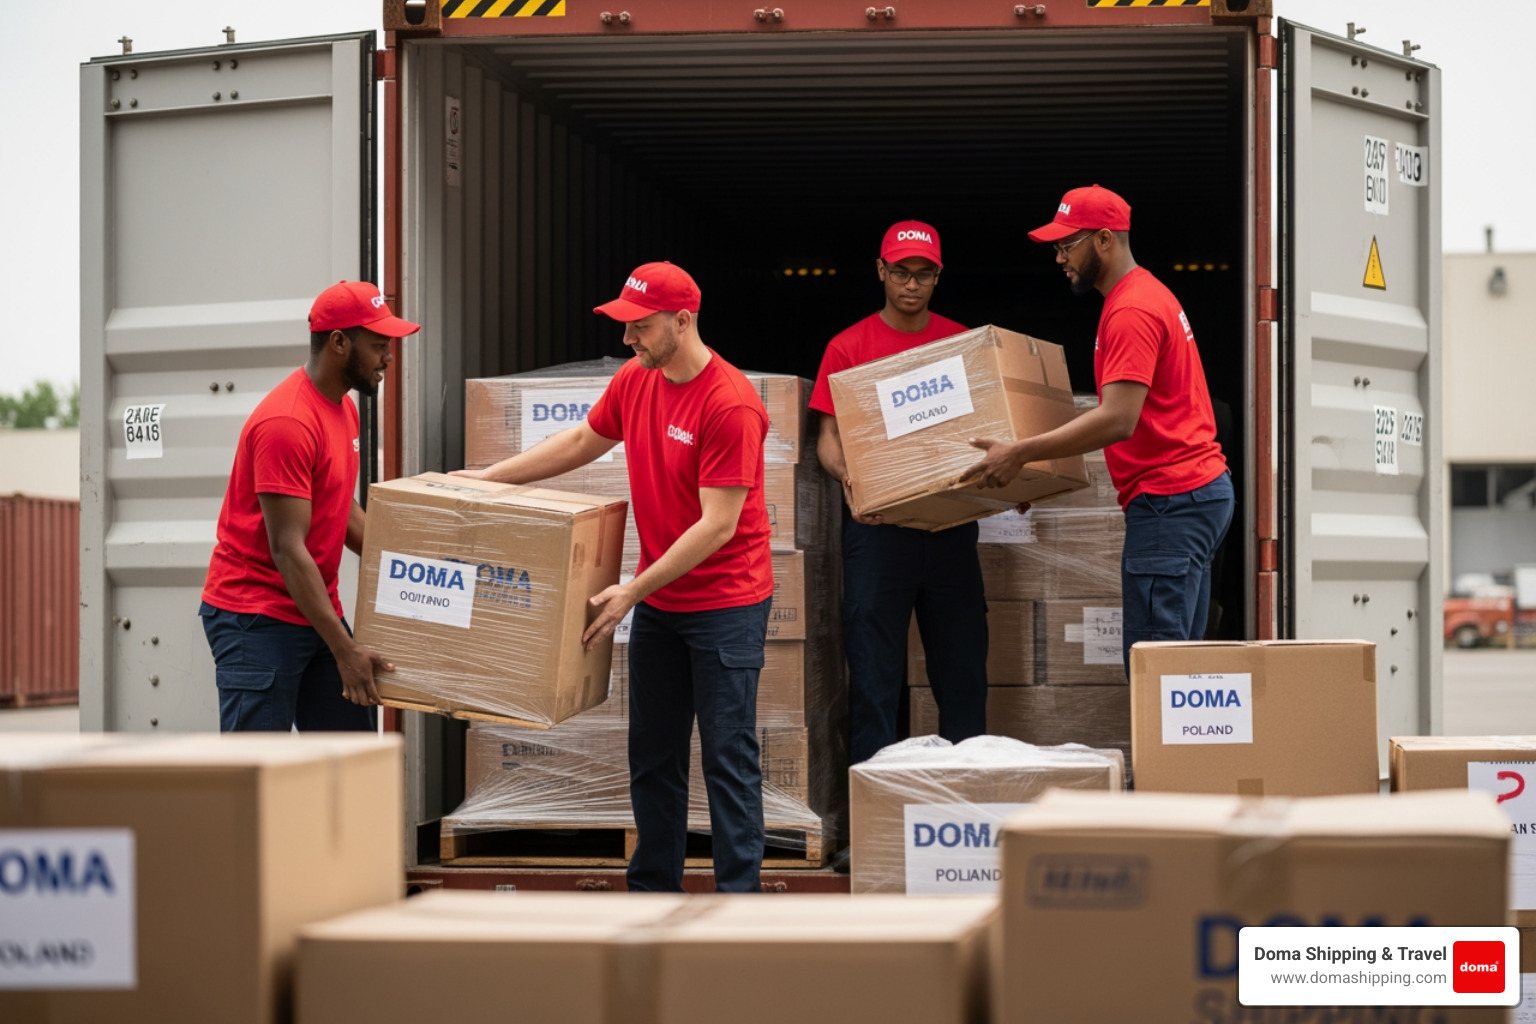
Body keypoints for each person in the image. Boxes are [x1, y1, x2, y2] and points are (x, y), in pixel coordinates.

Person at [452, 262, 774, 894]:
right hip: (661, 600)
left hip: (725, 606)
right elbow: (580, 439)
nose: (628, 340)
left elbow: (717, 525)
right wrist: (489, 479)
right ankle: (653, 891)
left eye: (641, 327)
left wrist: (632, 589)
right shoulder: (636, 380)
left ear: (683, 322)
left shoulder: (729, 403)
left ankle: (742, 904)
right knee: (653, 754)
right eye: (625, 326)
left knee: (727, 758)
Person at [962, 185, 1233, 672]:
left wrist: (1020, 453)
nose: (1059, 258)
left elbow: (1117, 419)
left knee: (1157, 674)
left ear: (1105, 240)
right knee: (1177, 669)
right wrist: (1037, 476)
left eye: (1067, 245)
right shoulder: (1143, 294)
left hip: (1170, 502)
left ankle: (1166, 752)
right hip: (1191, 497)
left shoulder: (1131, 310)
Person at [200, 280, 421, 731]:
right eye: (379, 345)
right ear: (340, 342)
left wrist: (420, 563)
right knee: (259, 777)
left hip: (311, 608)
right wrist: (344, 648)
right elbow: (288, 548)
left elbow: (341, 512)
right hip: (256, 617)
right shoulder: (288, 422)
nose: (389, 358)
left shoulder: (343, 409)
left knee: (349, 760)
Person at [809, 220, 989, 769]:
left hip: (950, 530)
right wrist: (852, 480)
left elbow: (990, 429)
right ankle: (874, 820)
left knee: (962, 676)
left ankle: (965, 807)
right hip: (878, 533)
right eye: (902, 272)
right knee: (874, 680)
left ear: (938, 276)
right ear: (882, 271)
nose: (912, 284)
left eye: (924, 273)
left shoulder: (963, 345)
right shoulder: (848, 347)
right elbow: (828, 440)